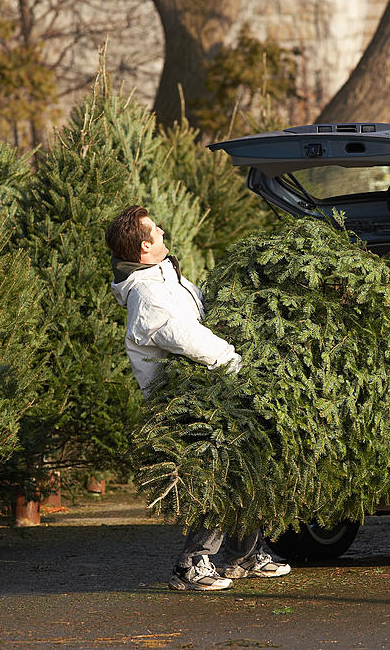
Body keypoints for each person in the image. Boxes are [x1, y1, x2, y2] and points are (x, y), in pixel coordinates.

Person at [105, 205, 291, 590]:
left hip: (209, 389)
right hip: (183, 402)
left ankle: (245, 554)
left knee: (241, 466)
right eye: (155, 231)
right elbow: (184, 336)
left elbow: (199, 312)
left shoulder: (164, 275)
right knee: (214, 473)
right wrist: (232, 359)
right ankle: (192, 564)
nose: (162, 232)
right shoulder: (147, 293)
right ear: (143, 247)